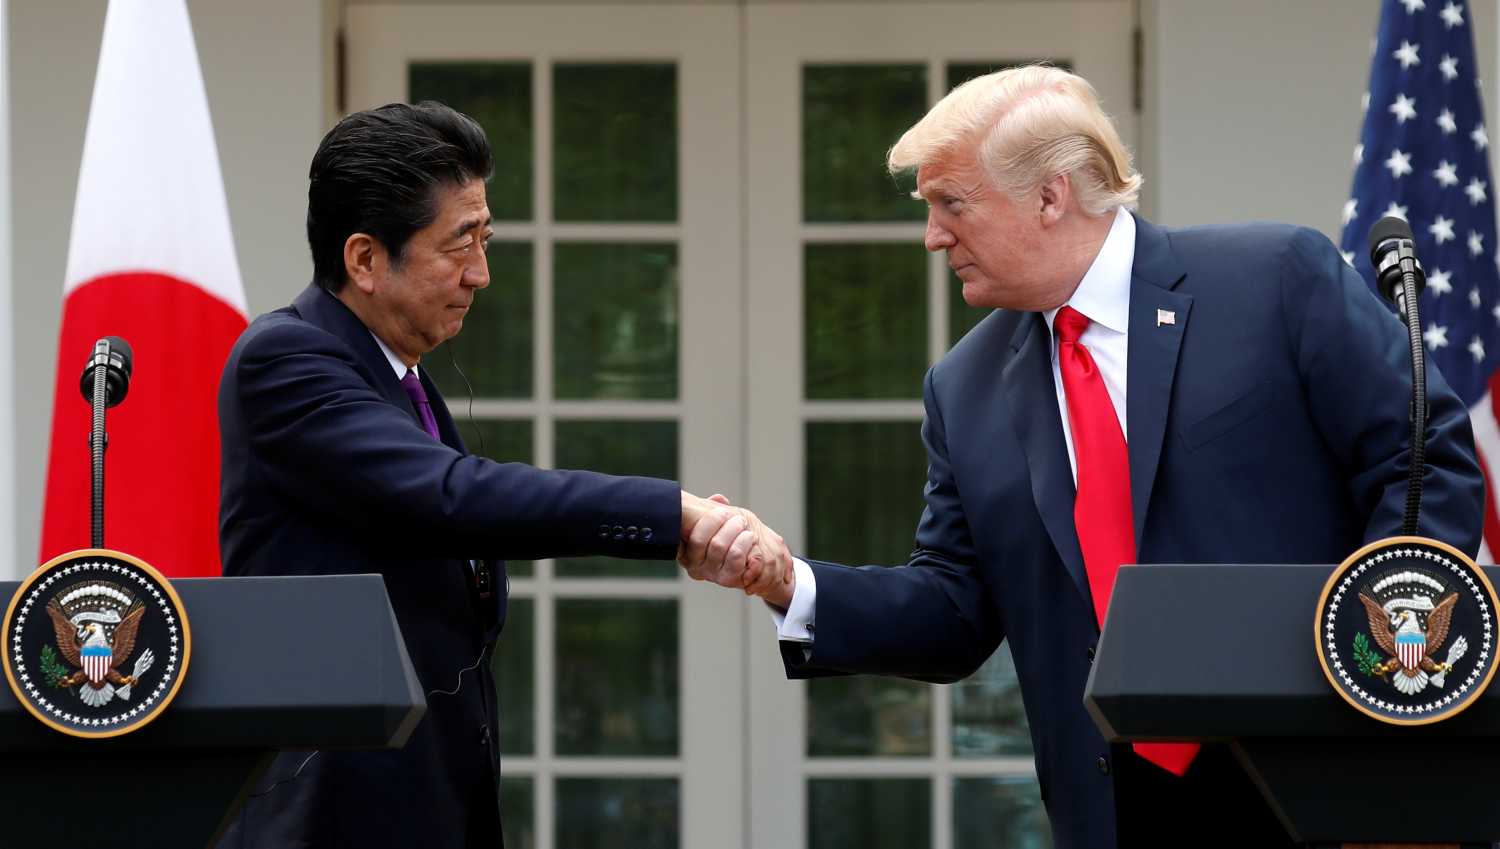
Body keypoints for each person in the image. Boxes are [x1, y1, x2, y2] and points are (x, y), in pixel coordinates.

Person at [679, 65, 1485, 848]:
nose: (933, 235)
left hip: (1320, 776)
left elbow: (1422, 462)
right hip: (1115, 805)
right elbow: (952, 613)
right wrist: (789, 581)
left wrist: (1380, 674)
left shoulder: (1274, 279)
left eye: (951, 203)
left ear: (1050, 194)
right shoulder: (963, 388)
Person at [216, 101, 776, 849]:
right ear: (365, 260)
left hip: (430, 795)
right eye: (459, 245)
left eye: (485, 238)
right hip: (332, 810)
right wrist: (672, 514)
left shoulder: (401, 375)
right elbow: (452, 494)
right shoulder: (284, 361)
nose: (481, 272)